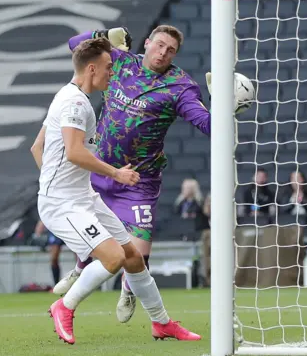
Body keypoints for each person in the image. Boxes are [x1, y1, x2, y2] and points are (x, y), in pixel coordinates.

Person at [30, 37, 200, 344]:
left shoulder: (71, 96)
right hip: (64, 205)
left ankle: (161, 323)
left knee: (132, 257)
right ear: (92, 69)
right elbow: (74, 153)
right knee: (113, 259)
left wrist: (55, 180)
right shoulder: (75, 104)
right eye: (109, 67)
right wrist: (114, 174)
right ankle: (64, 306)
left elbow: (36, 147)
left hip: (82, 197)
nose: (113, 72)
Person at [33, 220, 65, 285]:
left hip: (69, 225)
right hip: (56, 228)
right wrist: (38, 231)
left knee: (80, 256)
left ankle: (81, 284)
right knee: (53, 259)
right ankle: (56, 284)